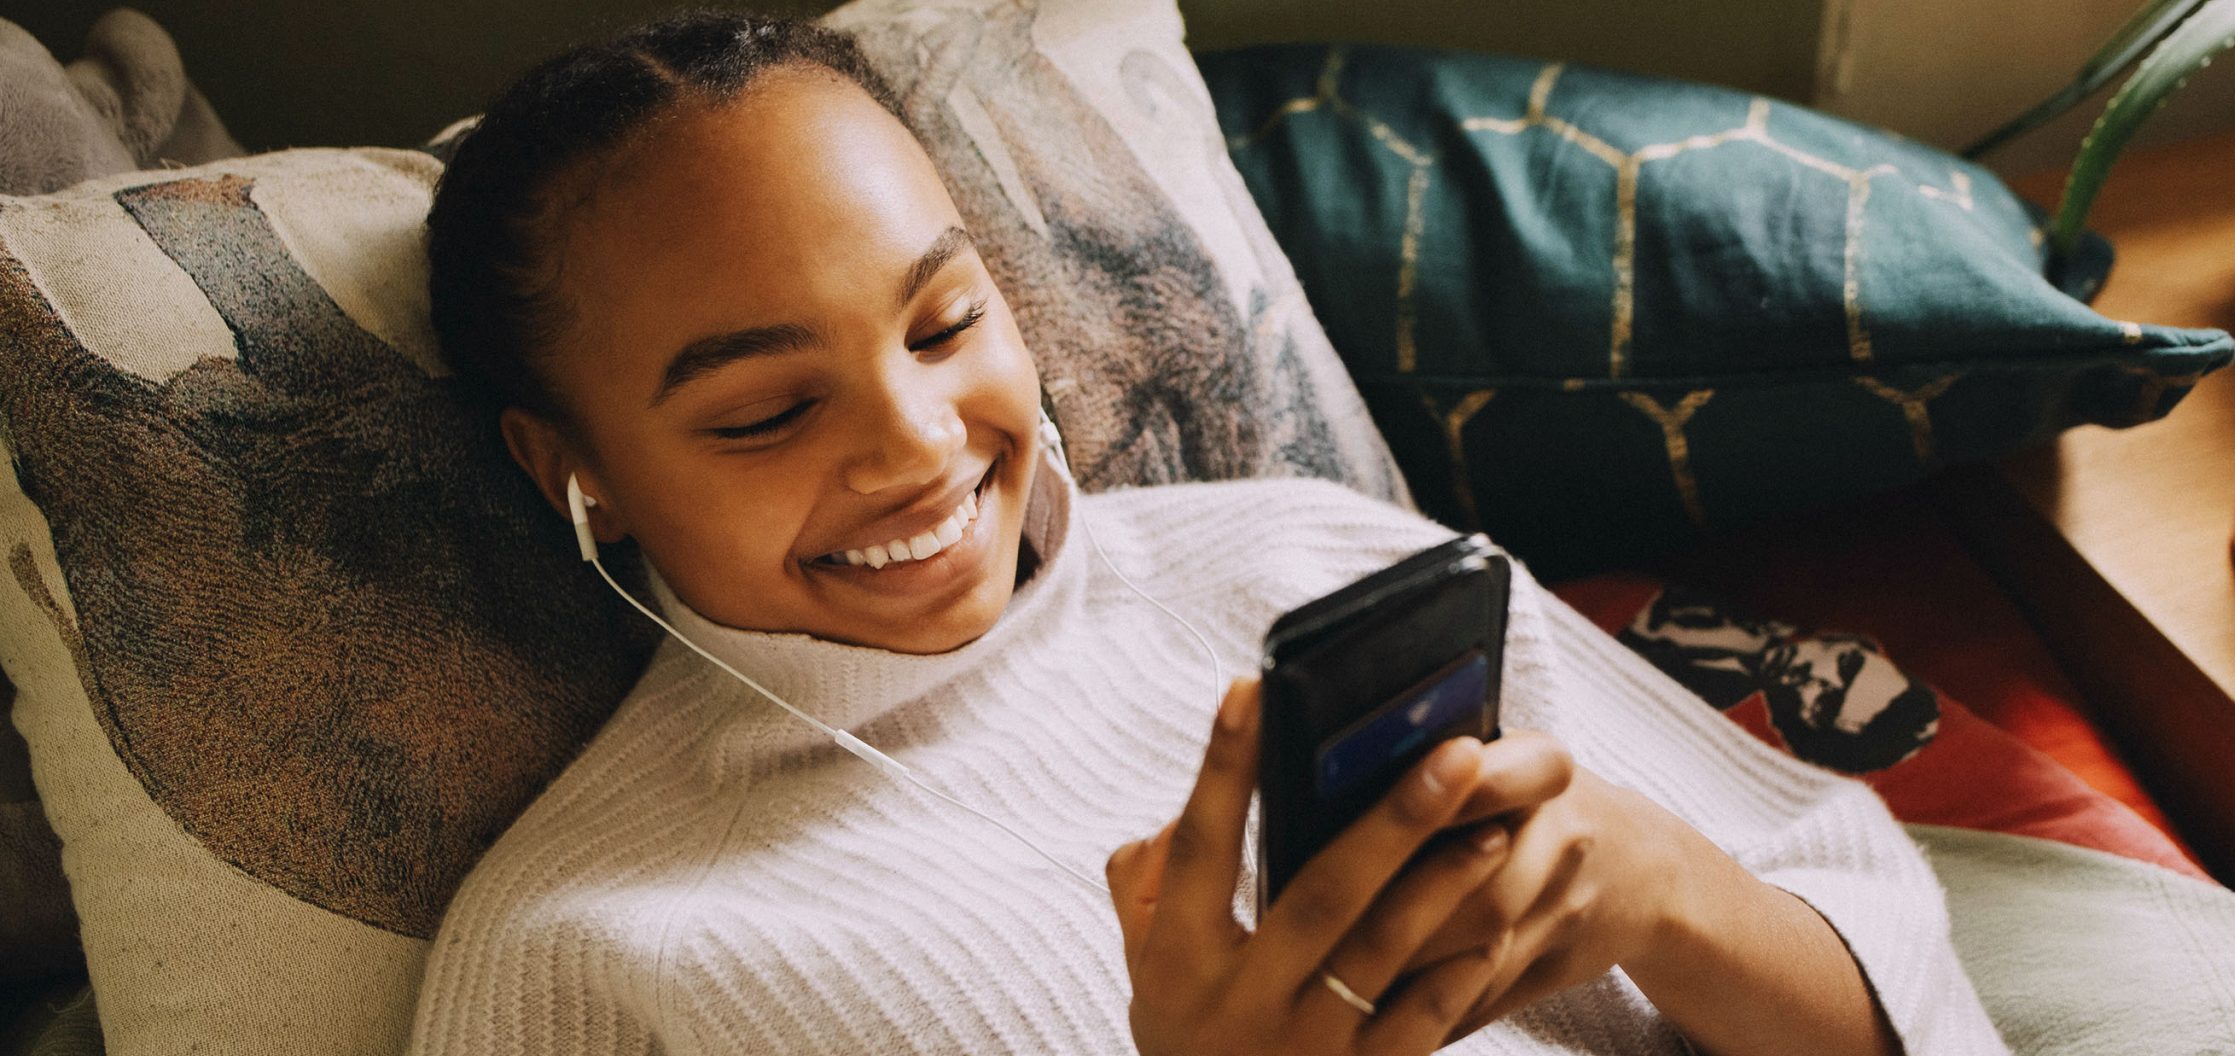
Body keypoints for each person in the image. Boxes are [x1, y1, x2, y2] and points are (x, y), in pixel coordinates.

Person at [407, 12, 2003, 1055]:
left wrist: (1665, 894)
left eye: (947, 321)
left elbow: (1898, 968)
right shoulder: (589, 960)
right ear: (574, 468)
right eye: (765, 411)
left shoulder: (1311, 562)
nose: (918, 445)